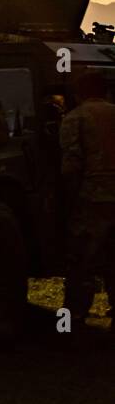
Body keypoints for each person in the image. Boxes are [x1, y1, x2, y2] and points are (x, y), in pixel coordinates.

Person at [60, 71, 115, 330]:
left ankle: (75, 319)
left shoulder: (76, 118)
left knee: (82, 261)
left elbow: (71, 165)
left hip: (93, 198)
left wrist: (68, 201)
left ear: (78, 93)